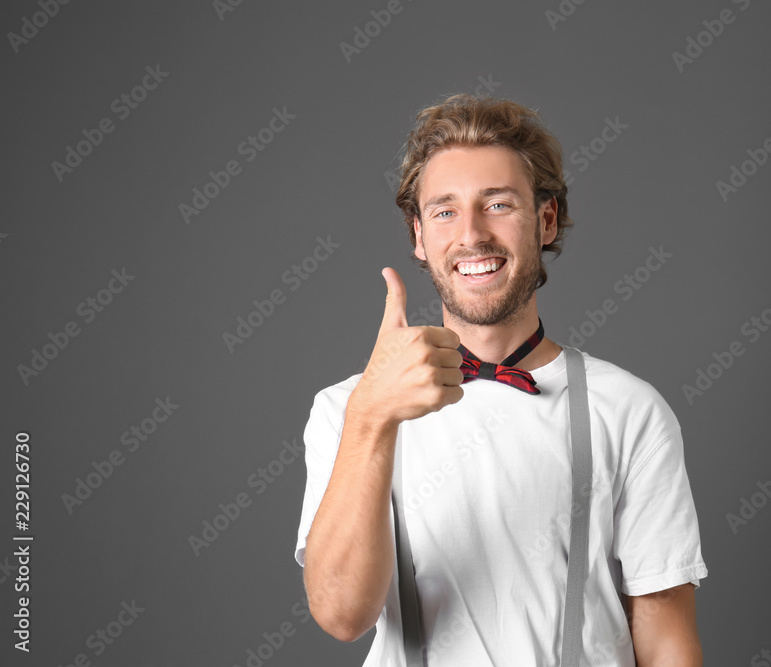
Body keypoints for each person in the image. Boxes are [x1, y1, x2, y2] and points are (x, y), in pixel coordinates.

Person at [294, 93, 708, 666]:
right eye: (444, 211)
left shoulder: (630, 410)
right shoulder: (345, 410)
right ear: (418, 235)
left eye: (497, 204)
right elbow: (341, 615)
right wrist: (372, 418)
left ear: (545, 220)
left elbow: (666, 640)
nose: (472, 235)